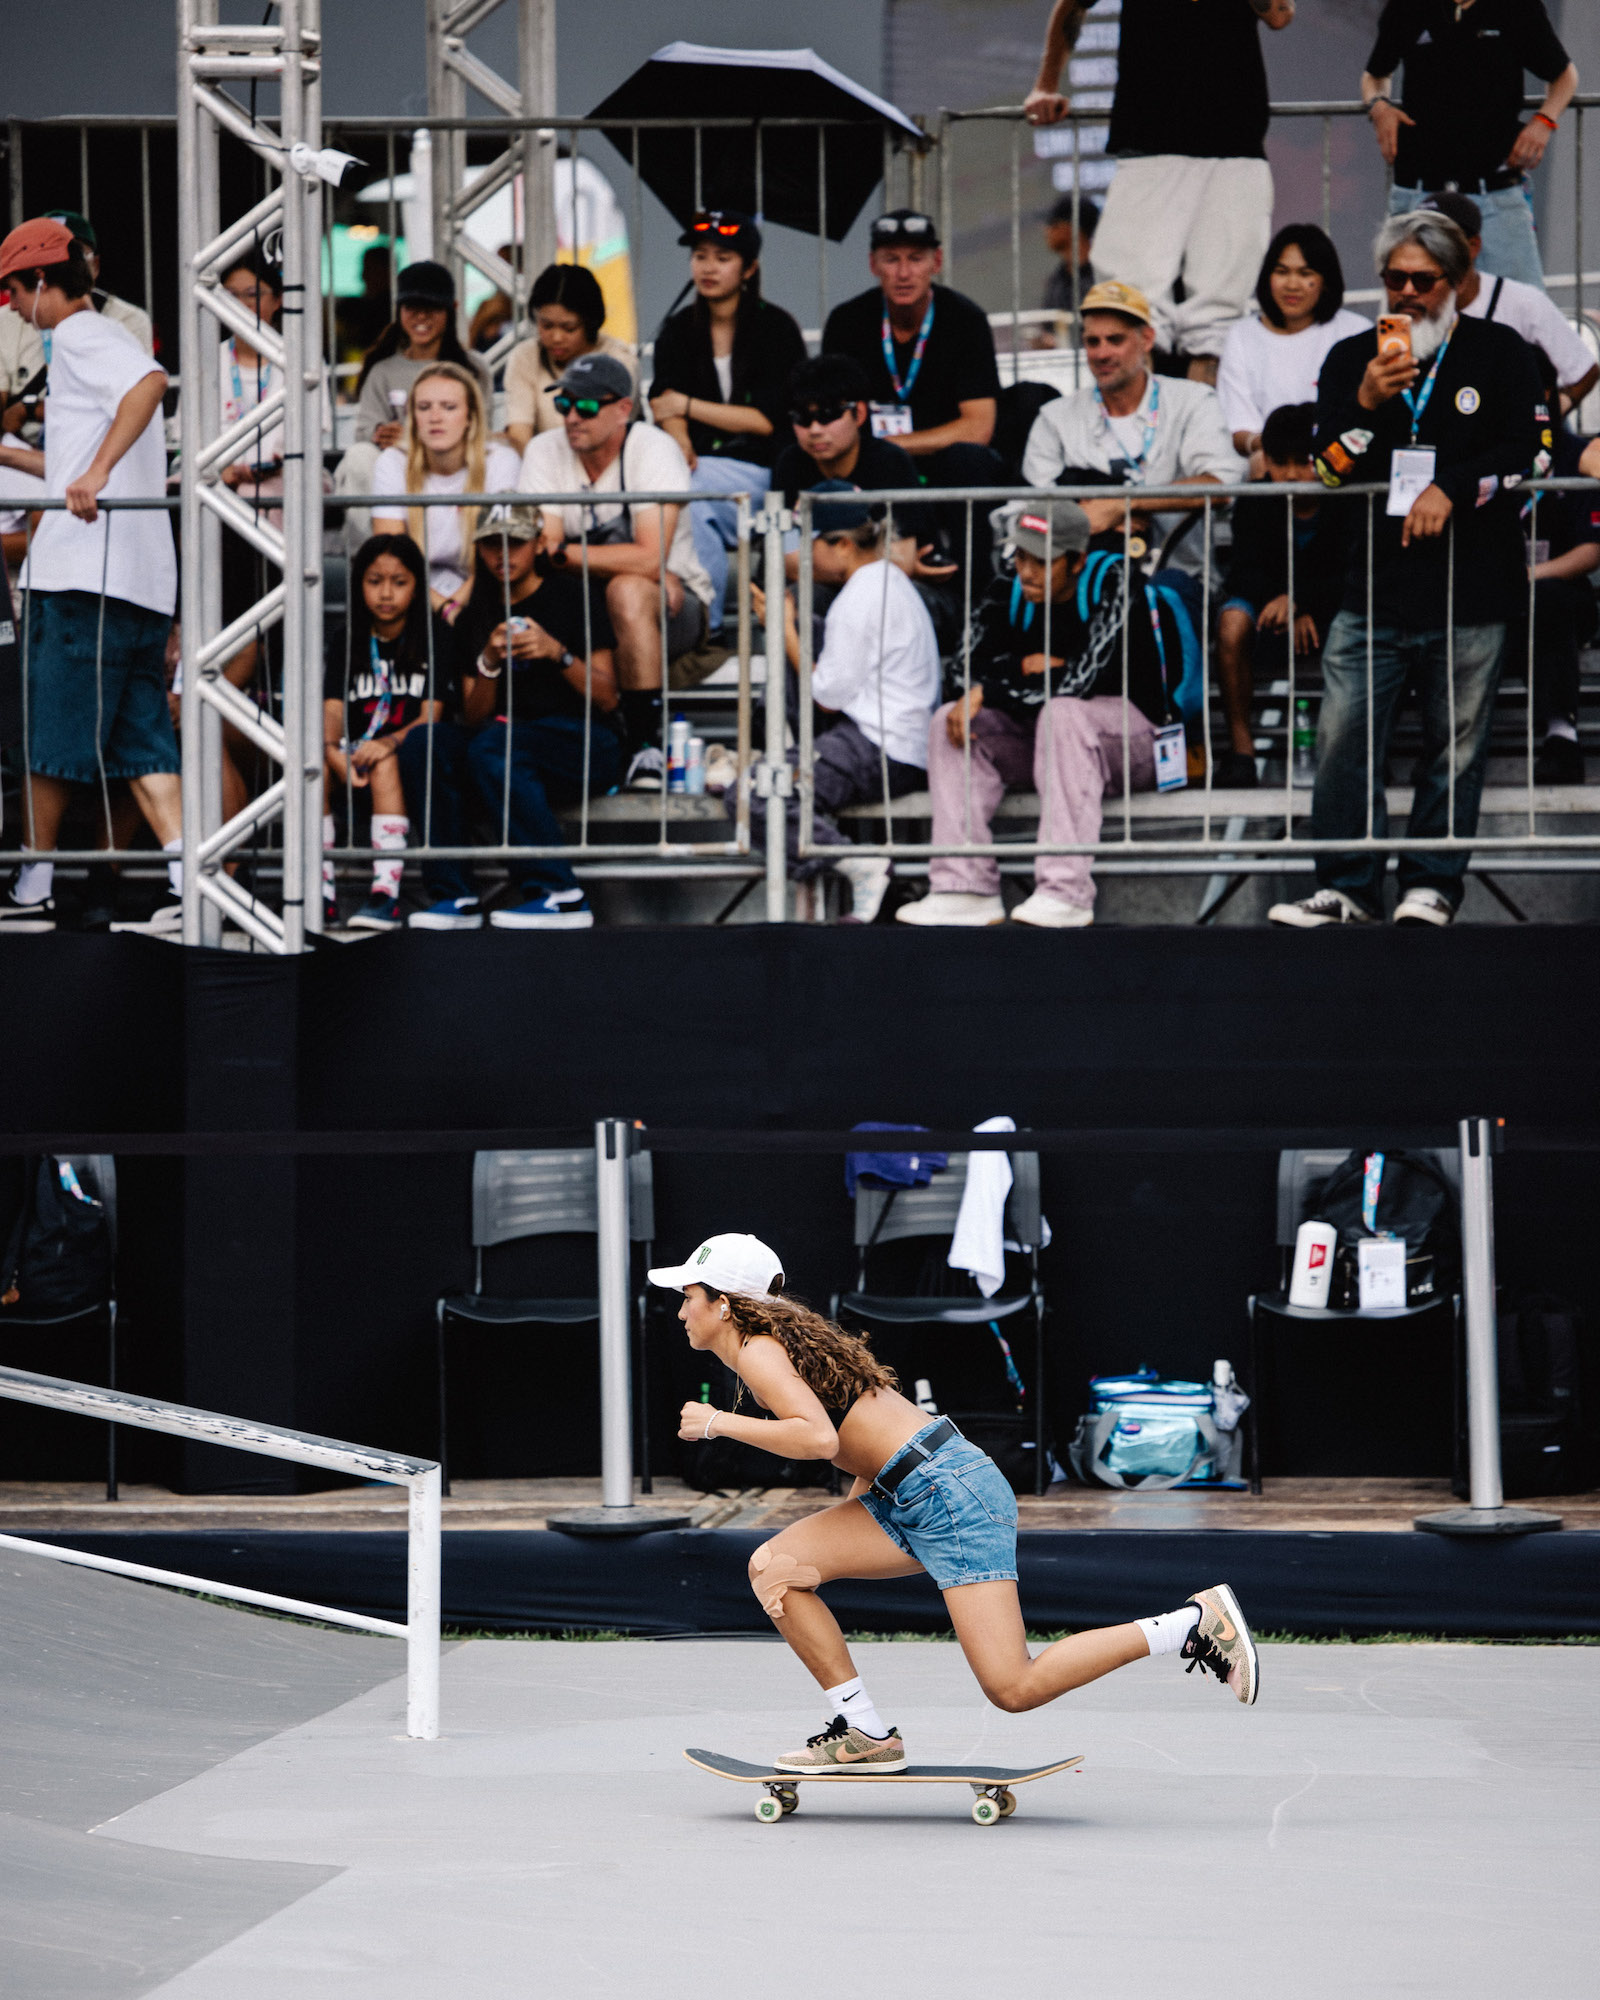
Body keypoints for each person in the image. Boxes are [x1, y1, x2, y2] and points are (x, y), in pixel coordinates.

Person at [650, 1230, 1259, 1769]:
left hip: (948, 1494)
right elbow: (863, 1443)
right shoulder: (777, 1346)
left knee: (1013, 1687)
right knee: (776, 1570)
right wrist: (848, 1522)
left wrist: (716, 1423)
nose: (680, 1310)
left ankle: (1190, 1624)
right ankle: (865, 1734)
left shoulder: (758, 1350)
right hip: (914, 1488)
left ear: (723, 1303)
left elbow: (818, 1439)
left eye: (688, 1295)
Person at [1268, 210, 1545, 930]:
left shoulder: (1500, 351)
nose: (1408, 294)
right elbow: (1329, 470)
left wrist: (1452, 487)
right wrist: (1366, 403)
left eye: (1425, 280)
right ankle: (1346, 887)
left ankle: (1431, 885)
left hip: (1470, 589)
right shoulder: (1350, 359)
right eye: (1396, 279)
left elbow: (1535, 451)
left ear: (1458, 281)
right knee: (1343, 742)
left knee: (1455, 749)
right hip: (1371, 588)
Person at [0, 219, 181, 934]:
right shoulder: (105, 337)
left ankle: (34, 886)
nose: (15, 308)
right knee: (142, 744)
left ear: (42, 281)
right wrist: (12, 455)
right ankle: (188, 880)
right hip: (141, 581)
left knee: (47, 739)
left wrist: (98, 471)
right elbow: (77, 463)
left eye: (15, 292)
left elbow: (150, 384)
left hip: (81, 578)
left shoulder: (78, 334)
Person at [898, 497, 1184, 929]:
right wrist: (1018, 671)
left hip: (1141, 740)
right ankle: (964, 886)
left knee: (1063, 712)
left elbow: (1078, 683)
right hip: (1052, 739)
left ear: (1077, 561)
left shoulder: (1116, 581)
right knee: (950, 720)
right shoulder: (1010, 584)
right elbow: (960, 672)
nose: (1027, 572)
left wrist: (993, 687)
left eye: (1043, 561)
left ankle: (1065, 893)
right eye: (1021, 557)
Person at [1026, 0, 1296, 380]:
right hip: (1151, 141)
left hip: (1235, 143)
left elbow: (1279, 15)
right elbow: (1073, 4)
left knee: (1217, 320)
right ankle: (1139, 418)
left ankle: (1205, 416)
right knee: (1132, 308)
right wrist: (1046, 84)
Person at [397, 503, 621, 931]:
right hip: (500, 744)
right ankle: (454, 896)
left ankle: (560, 894)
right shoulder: (477, 612)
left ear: (538, 543)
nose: (502, 554)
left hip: (584, 739)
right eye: (490, 545)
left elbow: (608, 698)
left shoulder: (573, 595)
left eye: (514, 542)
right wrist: (489, 661)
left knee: (495, 747)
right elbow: (474, 713)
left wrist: (558, 653)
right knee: (426, 743)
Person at [517, 351, 714, 790]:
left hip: (673, 609)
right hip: (585, 608)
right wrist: (568, 556)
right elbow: (543, 553)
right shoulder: (544, 450)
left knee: (627, 590)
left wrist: (566, 555)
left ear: (624, 408)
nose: (572, 417)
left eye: (586, 406)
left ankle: (644, 744)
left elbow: (648, 559)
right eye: (564, 404)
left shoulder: (652, 449)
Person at [748, 485, 940, 925]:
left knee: (757, 793)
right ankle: (869, 879)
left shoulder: (860, 596)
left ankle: (860, 866)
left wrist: (783, 628)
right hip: (898, 743)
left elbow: (826, 697)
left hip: (880, 747)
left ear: (843, 545)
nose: (802, 556)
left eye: (809, 543)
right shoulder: (889, 580)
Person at [1021, 279, 1241, 593]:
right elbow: (1033, 510)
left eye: (1115, 340)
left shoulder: (1193, 401)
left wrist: (1122, 505)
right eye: (1092, 341)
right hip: (1081, 589)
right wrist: (1091, 519)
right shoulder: (1054, 418)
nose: (1102, 353)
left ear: (1147, 339)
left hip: (1178, 582)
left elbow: (1222, 485)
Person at [650, 210, 807, 639]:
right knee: (686, 489)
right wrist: (680, 440)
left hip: (766, 472)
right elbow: (663, 403)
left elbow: (766, 421)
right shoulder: (678, 329)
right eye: (700, 256)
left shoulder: (776, 327)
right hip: (701, 467)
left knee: (691, 488)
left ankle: (708, 625)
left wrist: (687, 406)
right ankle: (703, 626)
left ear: (749, 268)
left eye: (723, 258)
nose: (708, 267)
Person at [1363, 0, 1577, 293]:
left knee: (1522, 307)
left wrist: (1544, 121)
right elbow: (1374, 75)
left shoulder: (1517, 7)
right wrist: (1379, 107)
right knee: (1410, 306)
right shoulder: (1407, 7)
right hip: (1419, 191)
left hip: (1495, 193)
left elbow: (1565, 76)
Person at [772, 354, 960, 642]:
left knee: (881, 596)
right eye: (802, 418)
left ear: (859, 414)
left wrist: (822, 562)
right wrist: (874, 561)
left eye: (828, 415)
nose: (815, 429)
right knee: (797, 599)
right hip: (842, 588)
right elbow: (789, 561)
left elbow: (900, 562)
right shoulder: (790, 464)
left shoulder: (890, 462)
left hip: (908, 590)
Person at [1215, 403, 1356, 786]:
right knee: (1230, 622)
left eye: (1303, 462)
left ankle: (1358, 749)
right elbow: (1244, 570)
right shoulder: (1256, 499)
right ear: (1266, 462)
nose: (1292, 474)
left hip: (1333, 611)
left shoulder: (1346, 498)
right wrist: (1281, 600)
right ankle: (1242, 752)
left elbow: (1352, 571)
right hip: (1269, 611)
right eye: (1281, 462)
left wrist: (1299, 601)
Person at [820, 211, 1005, 488]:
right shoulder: (846, 321)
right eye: (891, 259)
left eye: (916, 259)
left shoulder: (966, 320)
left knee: (970, 460)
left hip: (941, 460)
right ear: (873, 264)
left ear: (936, 262)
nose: (903, 274)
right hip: (867, 463)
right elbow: (830, 416)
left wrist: (893, 445)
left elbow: (978, 427)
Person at [323, 534, 449, 932]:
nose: (386, 593)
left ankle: (385, 894)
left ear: (417, 586)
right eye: (374, 581)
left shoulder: (434, 636)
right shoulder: (347, 638)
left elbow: (432, 715)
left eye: (399, 582)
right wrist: (330, 751)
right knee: (314, 768)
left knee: (384, 761)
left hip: (405, 761)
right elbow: (332, 708)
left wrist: (388, 742)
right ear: (359, 584)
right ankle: (321, 891)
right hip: (353, 756)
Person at [335, 261, 493, 549]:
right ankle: (374, 555)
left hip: (455, 469)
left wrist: (410, 438)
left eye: (431, 307)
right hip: (397, 473)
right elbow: (364, 431)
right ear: (399, 311)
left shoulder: (474, 367)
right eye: (411, 307)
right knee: (359, 457)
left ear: (452, 309)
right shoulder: (382, 369)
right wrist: (381, 433)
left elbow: (483, 431)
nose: (421, 316)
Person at [1420, 193, 1597, 418]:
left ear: (1473, 245)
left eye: (1440, 241)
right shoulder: (1408, 299)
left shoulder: (1522, 301)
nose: (1427, 249)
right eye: (1419, 240)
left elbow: (1584, 371)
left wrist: (1549, 416)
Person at [371, 362, 521, 616]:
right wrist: (443, 608)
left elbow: (501, 555)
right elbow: (392, 556)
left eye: (449, 407)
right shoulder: (392, 462)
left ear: (470, 417)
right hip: (415, 593)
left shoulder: (501, 460)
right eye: (424, 407)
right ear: (413, 417)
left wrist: (454, 608)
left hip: (484, 590)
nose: (435, 417)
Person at [1216, 226, 1371, 471]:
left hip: (1341, 462)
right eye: (1282, 272)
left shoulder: (1356, 331)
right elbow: (1239, 429)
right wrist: (1276, 448)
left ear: (1326, 280)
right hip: (1273, 466)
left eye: (1305, 273)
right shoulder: (1242, 336)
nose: (1292, 285)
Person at [1508, 424, 1600, 785]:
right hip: (1497, 601)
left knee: (1547, 600)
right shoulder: (1488, 446)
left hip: (1561, 600)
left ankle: (1561, 735)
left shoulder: (1578, 455)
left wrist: (1528, 576)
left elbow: (1591, 551)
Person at [503, 263, 638, 455]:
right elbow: (519, 435)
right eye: (546, 326)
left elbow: (609, 437)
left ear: (590, 324)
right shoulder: (525, 356)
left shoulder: (619, 361)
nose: (556, 337)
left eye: (569, 328)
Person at [42, 209, 154, 355]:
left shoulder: (128, 320)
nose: (64, 269)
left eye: (75, 257)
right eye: (51, 258)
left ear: (95, 266)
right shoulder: (14, 320)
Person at [1041, 193, 1099, 317]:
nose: (1046, 230)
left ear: (1072, 227)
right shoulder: (1057, 280)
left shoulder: (1102, 280)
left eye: (1053, 224)